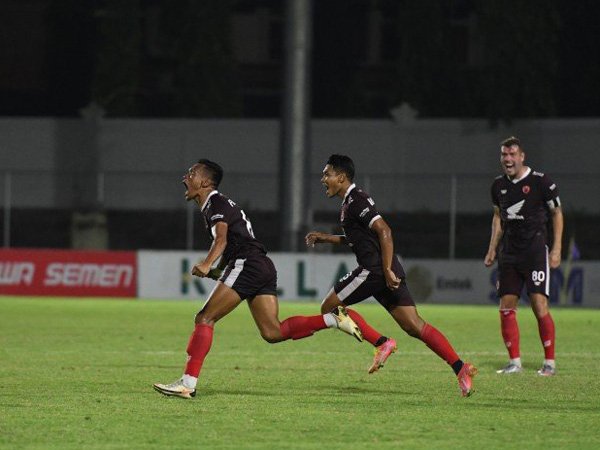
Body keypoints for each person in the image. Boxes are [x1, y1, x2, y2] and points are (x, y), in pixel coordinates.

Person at [153, 159, 364, 399]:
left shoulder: (215, 202)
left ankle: (187, 383)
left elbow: (221, 239)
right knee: (272, 332)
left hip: (248, 264)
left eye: (191, 173)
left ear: (205, 181)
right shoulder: (216, 205)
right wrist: (218, 269)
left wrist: (207, 263)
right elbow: (233, 239)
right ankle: (332, 320)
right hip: (261, 265)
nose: (185, 177)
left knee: (204, 318)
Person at [305, 154, 477, 397]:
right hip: (384, 269)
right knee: (414, 326)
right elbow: (360, 239)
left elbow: (384, 230)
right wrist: (326, 238)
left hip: (374, 270)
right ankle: (460, 368)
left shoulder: (356, 200)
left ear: (341, 177)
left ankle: (381, 342)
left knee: (329, 307)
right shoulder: (349, 203)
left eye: (327, 174)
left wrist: (384, 269)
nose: (323, 179)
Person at [484, 137, 563, 376]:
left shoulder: (541, 182)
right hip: (509, 254)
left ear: (522, 156)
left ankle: (549, 363)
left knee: (539, 305)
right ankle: (514, 362)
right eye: (504, 156)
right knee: (506, 306)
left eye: (512, 155)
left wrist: (557, 248)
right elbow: (498, 217)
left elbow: (557, 213)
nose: (508, 159)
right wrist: (491, 249)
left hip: (535, 252)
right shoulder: (498, 186)